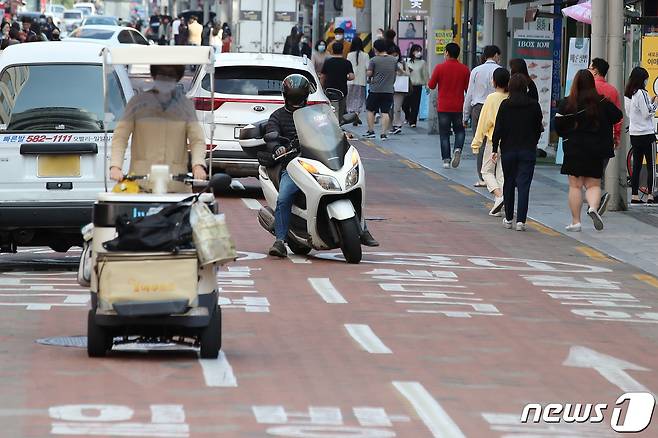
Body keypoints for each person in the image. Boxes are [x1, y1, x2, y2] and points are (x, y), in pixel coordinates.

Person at [265, 74, 379, 257]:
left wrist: (341, 134)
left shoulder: (316, 114)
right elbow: (271, 135)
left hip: (320, 160)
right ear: (286, 96)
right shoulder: (277, 117)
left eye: (300, 96)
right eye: (295, 97)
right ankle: (280, 240)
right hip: (294, 165)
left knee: (352, 186)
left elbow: (330, 128)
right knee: (284, 198)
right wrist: (277, 147)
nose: (297, 101)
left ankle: (363, 228)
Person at [109, 65, 207, 193]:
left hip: (176, 183)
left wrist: (198, 165)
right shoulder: (137, 102)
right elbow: (120, 137)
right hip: (142, 182)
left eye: (170, 75)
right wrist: (116, 166)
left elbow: (197, 140)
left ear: (177, 78)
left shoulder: (185, 105)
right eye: (162, 75)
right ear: (155, 76)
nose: (166, 79)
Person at [555, 69, 623, 232]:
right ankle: (593, 207)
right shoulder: (602, 103)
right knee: (593, 185)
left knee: (575, 186)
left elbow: (558, 126)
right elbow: (617, 115)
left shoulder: (567, 103)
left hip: (574, 149)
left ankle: (576, 221)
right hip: (596, 150)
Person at [492, 74, 543, 231]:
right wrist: (533, 142)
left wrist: (495, 148)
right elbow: (538, 128)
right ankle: (521, 221)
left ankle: (508, 218)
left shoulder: (505, 105)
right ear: (525, 88)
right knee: (524, 185)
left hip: (508, 150)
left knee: (508, 183)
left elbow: (498, 128)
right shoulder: (534, 105)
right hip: (527, 150)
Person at [471, 68, 510, 217]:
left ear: (493, 81)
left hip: (493, 140)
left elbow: (484, 122)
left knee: (486, 171)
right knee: (501, 173)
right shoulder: (510, 97)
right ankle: (499, 204)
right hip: (508, 140)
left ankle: (499, 195)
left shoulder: (492, 98)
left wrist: (476, 142)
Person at [427, 43, 470, 168]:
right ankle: (457, 149)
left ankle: (446, 160)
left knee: (444, 133)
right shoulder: (464, 69)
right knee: (460, 131)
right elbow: (468, 89)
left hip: (444, 107)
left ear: (446, 53)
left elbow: (431, 85)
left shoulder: (440, 68)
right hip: (459, 106)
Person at [590, 57, 623, 213]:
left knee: (587, 173)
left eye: (590, 68)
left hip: (587, 138)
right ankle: (598, 200)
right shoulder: (612, 91)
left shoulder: (587, 88)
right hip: (605, 140)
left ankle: (594, 201)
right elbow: (618, 118)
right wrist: (616, 137)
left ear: (595, 70)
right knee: (600, 172)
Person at [463, 45, 501, 181]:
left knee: (480, 142)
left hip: (478, 108)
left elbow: (469, 94)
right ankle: (494, 174)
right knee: (496, 142)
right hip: (496, 107)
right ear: (496, 55)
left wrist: (465, 116)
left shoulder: (476, 71)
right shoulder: (500, 70)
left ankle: (482, 176)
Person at [624, 67, 656, 204]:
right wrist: (655, 104)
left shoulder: (628, 94)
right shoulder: (641, 93)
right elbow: (647, 112)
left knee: (636, 165)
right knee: (651, 166)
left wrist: (650, 103)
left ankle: (635, 195)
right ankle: (650, 195)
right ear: (642, 79)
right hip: (647, 134)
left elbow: (629, 114)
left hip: (634, 133)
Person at [364, 38, 398, 141]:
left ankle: (371, 131)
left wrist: (369, 74)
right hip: (388, 90)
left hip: (375, 89)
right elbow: (395, 73)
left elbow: (369, 73)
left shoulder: (374, 60)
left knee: (370, 109)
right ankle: (384, 134)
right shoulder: (393, 60)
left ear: (375, 49)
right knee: (385, 112)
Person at [321, 41, 355, 120]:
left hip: (329, 90)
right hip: (342, 90)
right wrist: (344, 77)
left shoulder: (328, 62)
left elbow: (322, 76)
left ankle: (331, 123)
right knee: (341, 110)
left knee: (330, 109)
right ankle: (339, 123)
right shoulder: (347, 63)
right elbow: (352, 76)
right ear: (342, 50)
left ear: (332, 50)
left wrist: (321, 87)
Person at [402, 44, 428, 128]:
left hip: (418, 85)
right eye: (417, 51)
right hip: (408, 85)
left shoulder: (422, 63)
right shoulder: (407, 61)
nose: (419, 53)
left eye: (420, 51)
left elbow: (425, 75)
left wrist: (427, 85)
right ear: (412, 52)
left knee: (415, 105)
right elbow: (404, 73)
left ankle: (413, 121)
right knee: (405, 104)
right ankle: (408, 116)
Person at [346, 36, 368, 124]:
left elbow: (347, 67)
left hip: (350, 81)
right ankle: (357, 114)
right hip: (361, 81)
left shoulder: (349, 55)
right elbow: (367, 67)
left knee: (350, 99)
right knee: (359, 99)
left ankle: (352, 115)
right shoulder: (365, 55)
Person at [390, 45, 409, 135]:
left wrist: (401, 72)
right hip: (389, 87)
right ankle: (391, 124)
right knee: (390, 108)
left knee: (397, 107)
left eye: (396, 54)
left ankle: (397, 124)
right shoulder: (388, 63)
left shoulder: (403, 63)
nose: (395, 56)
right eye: (393, 55)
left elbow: (408, 74)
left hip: (399, 88)